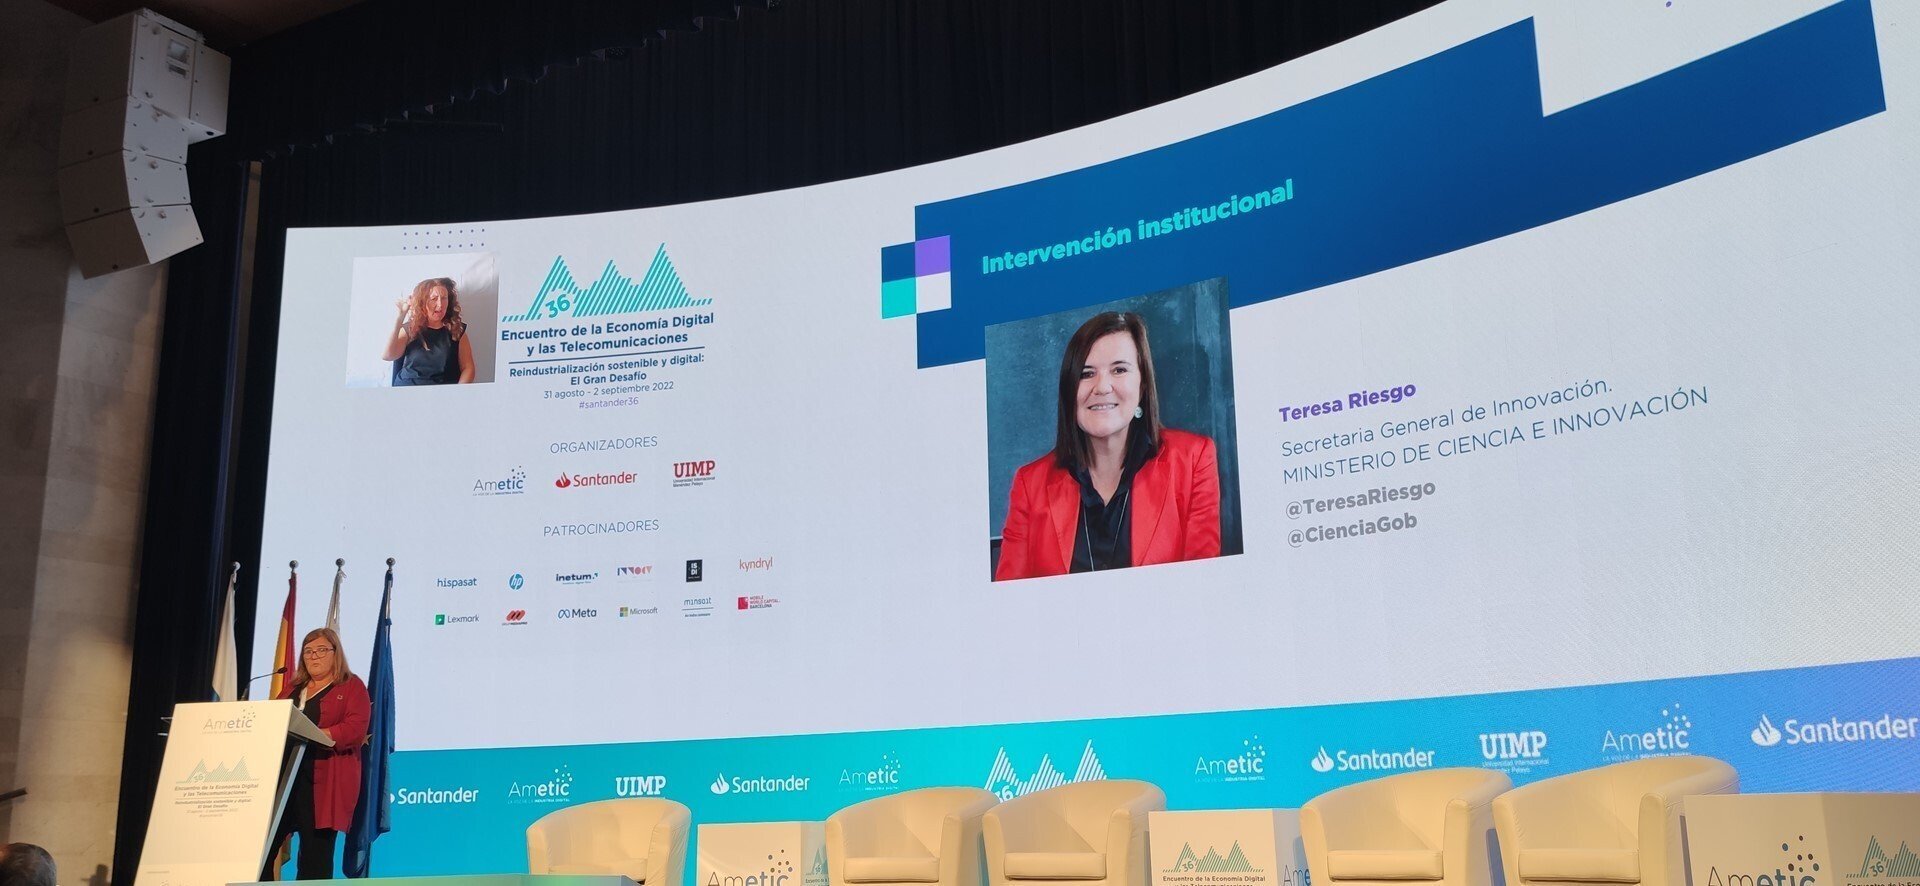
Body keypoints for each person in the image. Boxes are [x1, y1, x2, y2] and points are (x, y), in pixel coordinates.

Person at [995, 311, 1221, 580]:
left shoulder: (1194, 459)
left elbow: (1203, 587)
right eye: (1086, 373)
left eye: (1119, 370)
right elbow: (1009, 600)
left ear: (1143, 385)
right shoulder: (1029, 484)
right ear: (1069, 390)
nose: (1102, 387)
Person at [266, 628, 371, 880]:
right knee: (262, 851)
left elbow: (355, 729)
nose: (314, 656)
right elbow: (272, 720)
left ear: (336, 653)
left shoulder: (351, 686)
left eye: (322, 650)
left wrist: (320, 733)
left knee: (314, 860)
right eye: (308, 651)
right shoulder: (293, 688)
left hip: (323, 785)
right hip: (283, 780)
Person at [383, 277, 475, 385]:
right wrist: (400, 318)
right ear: (422, 302)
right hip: (409, 388)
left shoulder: (456, 330)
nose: (440, 305)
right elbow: (388, 356)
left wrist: (457, 392)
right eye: (434, 299)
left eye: (444, 298)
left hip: (443, 391)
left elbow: (468, 368)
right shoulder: (410, 329)